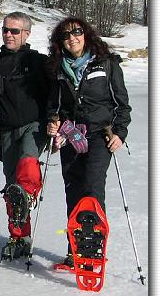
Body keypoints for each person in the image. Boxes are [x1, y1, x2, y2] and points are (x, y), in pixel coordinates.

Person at [45, 17, 131, 267]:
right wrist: (53, 120)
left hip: (99, 135)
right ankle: (75, 248)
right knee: (73, 189)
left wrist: (120, 133)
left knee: (92, 189)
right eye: (66, 35)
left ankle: (92, 248)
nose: (73, 38)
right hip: (72, 134)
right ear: (60, 42)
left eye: (77, 32)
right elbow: (55, 105)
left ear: (86, 34)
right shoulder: (58, 68)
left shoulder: (106, 63)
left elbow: (122, 105)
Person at [0, 11, 49, 260]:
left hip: (34, 126)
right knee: (12, 188)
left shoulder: (39, 62)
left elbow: (54, 95)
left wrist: (56, 123)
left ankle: (28, 194)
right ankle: (19, 236)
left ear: (27, 34)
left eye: (15, 31)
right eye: (6, 30)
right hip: (6, 130)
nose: (9, 34)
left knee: (27, 165)